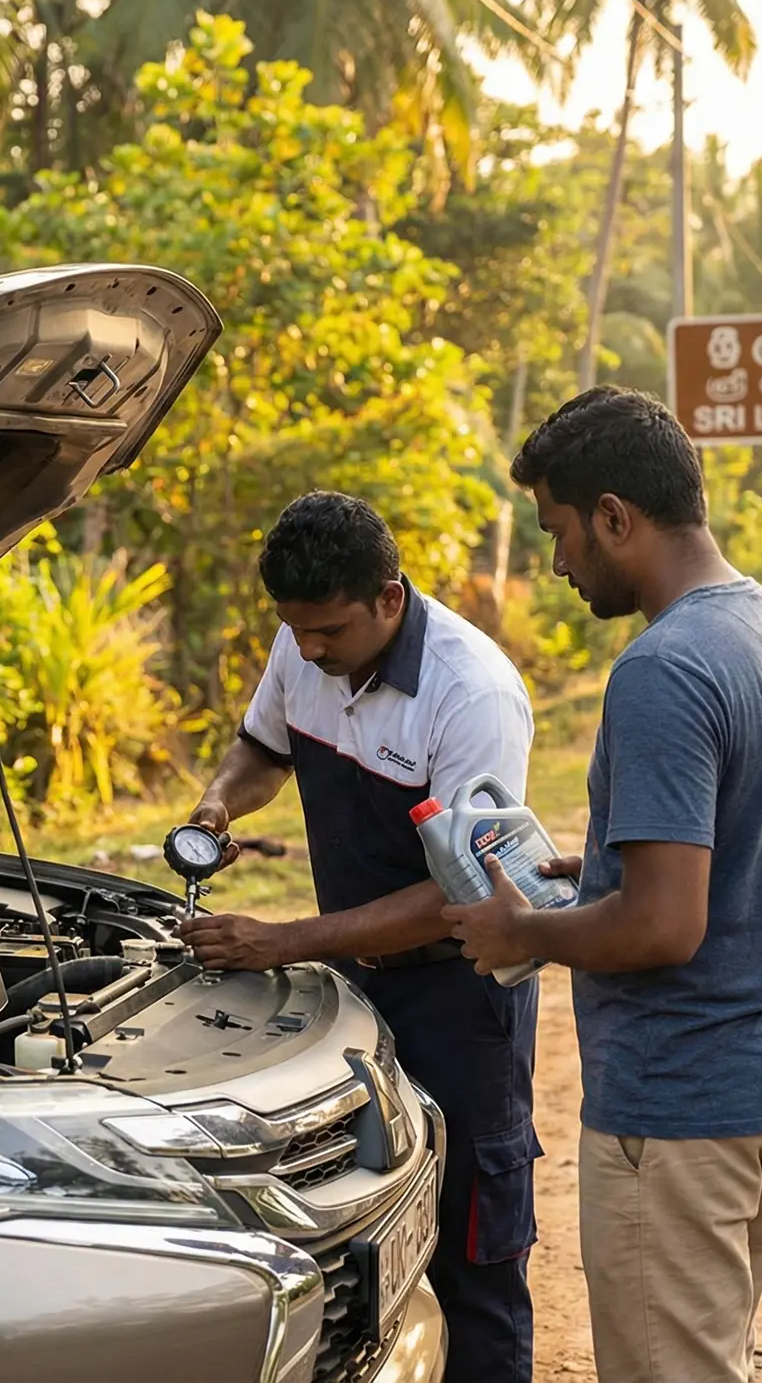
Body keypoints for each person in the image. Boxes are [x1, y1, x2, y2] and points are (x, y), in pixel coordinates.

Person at [443, 387, 762, 1383]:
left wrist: (525, 933)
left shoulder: (663, 667)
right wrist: (611, 866)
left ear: (617, 516)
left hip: (676, 1110)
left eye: (559, 531)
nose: (556, 562)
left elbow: (666, 927)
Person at [176, 490, 539, 1383]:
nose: (309, 651)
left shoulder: (473, 694)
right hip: (353, 990)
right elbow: (262, 750)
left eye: (329, 631)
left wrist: (284, 939)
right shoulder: (304, 643)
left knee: (468, 1247)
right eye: (294, 631)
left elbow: (456, 894)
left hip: (460, 990)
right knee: (363, 1235)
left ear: (389, 597)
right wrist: (220, 801)